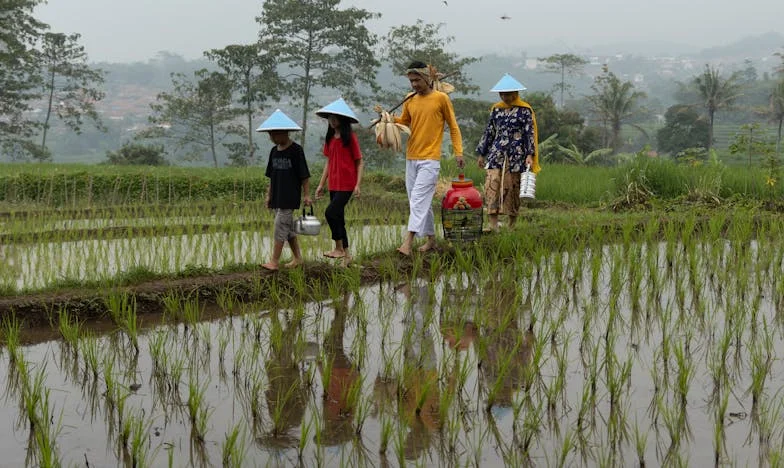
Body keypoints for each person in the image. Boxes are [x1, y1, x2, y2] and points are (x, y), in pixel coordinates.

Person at [392, 61, 464, 256]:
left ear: (427, 77)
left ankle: (408, 242)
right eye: (411, 81)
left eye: (417, 80)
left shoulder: (441, 99)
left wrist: (458, 152)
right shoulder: (409, 99)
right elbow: (404, 121)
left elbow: (453, 126)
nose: (414, 84)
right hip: (411, 157)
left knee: (418, 199)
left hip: (430, 159)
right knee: (418, 201)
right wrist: (389, 120)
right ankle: (431, 240)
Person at [476, 74, 540, 232]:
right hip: (496, 152)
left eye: (508, 94)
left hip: (516, 153)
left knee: (513, 186)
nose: (505, 97)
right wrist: (482, 154)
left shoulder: (524, 110)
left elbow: (529, 133)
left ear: (515, 93)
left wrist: (530, 154)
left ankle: (512, 224)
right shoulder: (496, 109)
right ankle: (493, 224)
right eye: (502, 94)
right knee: (492, 183)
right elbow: (489, 132)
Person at [256, 109, 312, 271]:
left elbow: (304, 175)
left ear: (284, 132)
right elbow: (271, 177)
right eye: (270, 134)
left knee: (280, 227)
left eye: (274, 134)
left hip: (289, 197)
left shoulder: (296, 150)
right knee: (288, 229)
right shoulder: (274, 152)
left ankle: (274, 262)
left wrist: (306, 195)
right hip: (277, 197)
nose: (272, 138)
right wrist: (269, 195)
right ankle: (298, 258)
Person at [314, 98, 364, 266]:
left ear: (342, 119)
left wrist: (358, 184)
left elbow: (359, 162)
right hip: (333, 184)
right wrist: (321, 184)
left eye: (335, 117)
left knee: (330, 213)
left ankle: (338, 248)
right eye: (330, 117)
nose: (332, 120)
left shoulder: (350, 138)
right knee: (339, 218)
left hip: (347, 184)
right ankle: (347, 257)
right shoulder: (330, 139)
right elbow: (328, 163)